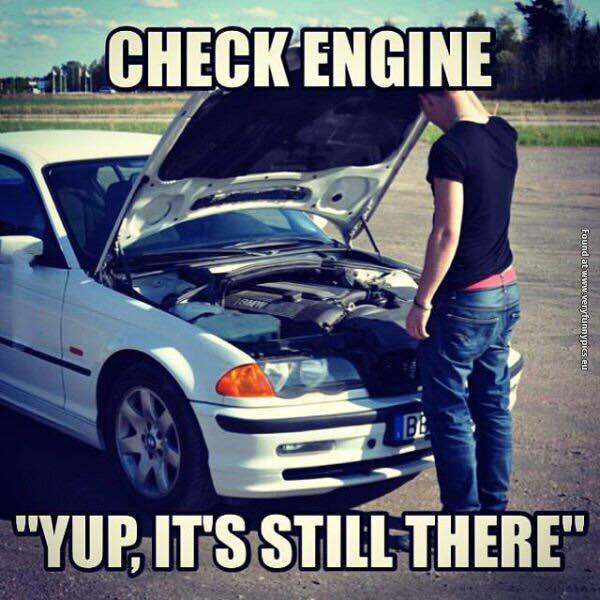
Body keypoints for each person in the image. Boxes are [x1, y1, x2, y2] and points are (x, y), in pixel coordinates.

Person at [405, 90, 521, 515]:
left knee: (449, 411)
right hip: (505, 291)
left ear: (430, 99)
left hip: (464, 302)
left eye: (423, 106)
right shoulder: (504, 133)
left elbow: (446, 232)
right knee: (492, 406)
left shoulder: (449, 149)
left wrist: (422, 301)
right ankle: (493, 510)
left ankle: (462, 521)